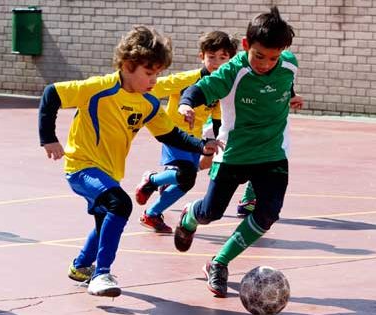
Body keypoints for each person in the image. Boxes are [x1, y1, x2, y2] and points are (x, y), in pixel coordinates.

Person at [38, 25, 221, 298]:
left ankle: (80, 267)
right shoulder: (99, 88)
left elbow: (169, 134)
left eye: (157, 73)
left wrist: (200, 145)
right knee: (120, 204)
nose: (154, 80)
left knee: (105, 221)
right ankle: (101, 274)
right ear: (127, 65)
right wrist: (48, 137)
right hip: (81, 166)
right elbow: (51, 94)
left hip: (110, 171)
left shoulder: (147, 102)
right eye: (149, 73)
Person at [174, 6, 302, 297]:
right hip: (233, 153)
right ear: (245, 46)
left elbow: (285, 82)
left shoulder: (289, 64)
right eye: (259, 56)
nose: (266, 64)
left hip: (272, 153)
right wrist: (185, 104)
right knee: (211, 213)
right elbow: (199, 89)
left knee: (267, 214)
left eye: (273, 57)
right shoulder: (232, 72)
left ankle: (219, 262)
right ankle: (190, 216)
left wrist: (292, 97)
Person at [134, 31, 238, 233]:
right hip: (173, 133)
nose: (216, 62)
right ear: (202, 57)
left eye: (223, 58)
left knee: (187, 181)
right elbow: (152, 88)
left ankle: (152, 214)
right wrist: (151, 113)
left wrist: (214, 141)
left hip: (194, 139)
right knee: (186, 173)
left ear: (230, 59)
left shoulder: (220, 87)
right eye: (211, 57)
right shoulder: (186, 79)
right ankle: (152, 180)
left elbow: (217, 117)